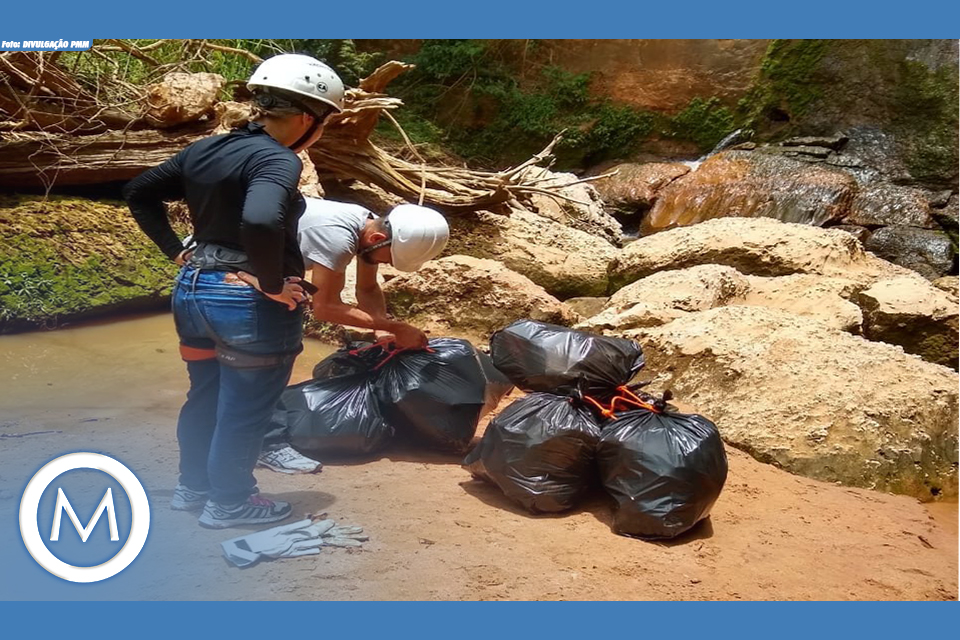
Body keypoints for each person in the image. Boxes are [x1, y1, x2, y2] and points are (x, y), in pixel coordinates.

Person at [124, 53, 344, 529]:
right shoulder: (277, 158)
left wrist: (176, 250)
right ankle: (230, 502)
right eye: (325, 122)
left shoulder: (204, 149)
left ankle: (193, 488)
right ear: (308, 118)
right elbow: (261, 220)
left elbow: (139, 191)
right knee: (245, 408)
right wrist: (270, 283)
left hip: (193, 290)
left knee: (204, 397)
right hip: (246, 304)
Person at [254, 197, 450, 474]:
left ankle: (236, 435)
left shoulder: (365, 224)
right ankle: (266, 445)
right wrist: (398, 328)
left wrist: (382, 331)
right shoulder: (338, 237)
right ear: (378, 239)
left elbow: (367, 289)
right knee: (267, 363)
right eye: (390, 258)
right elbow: (325, 307)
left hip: (264, 272)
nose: (388, 264)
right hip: (237, 274)